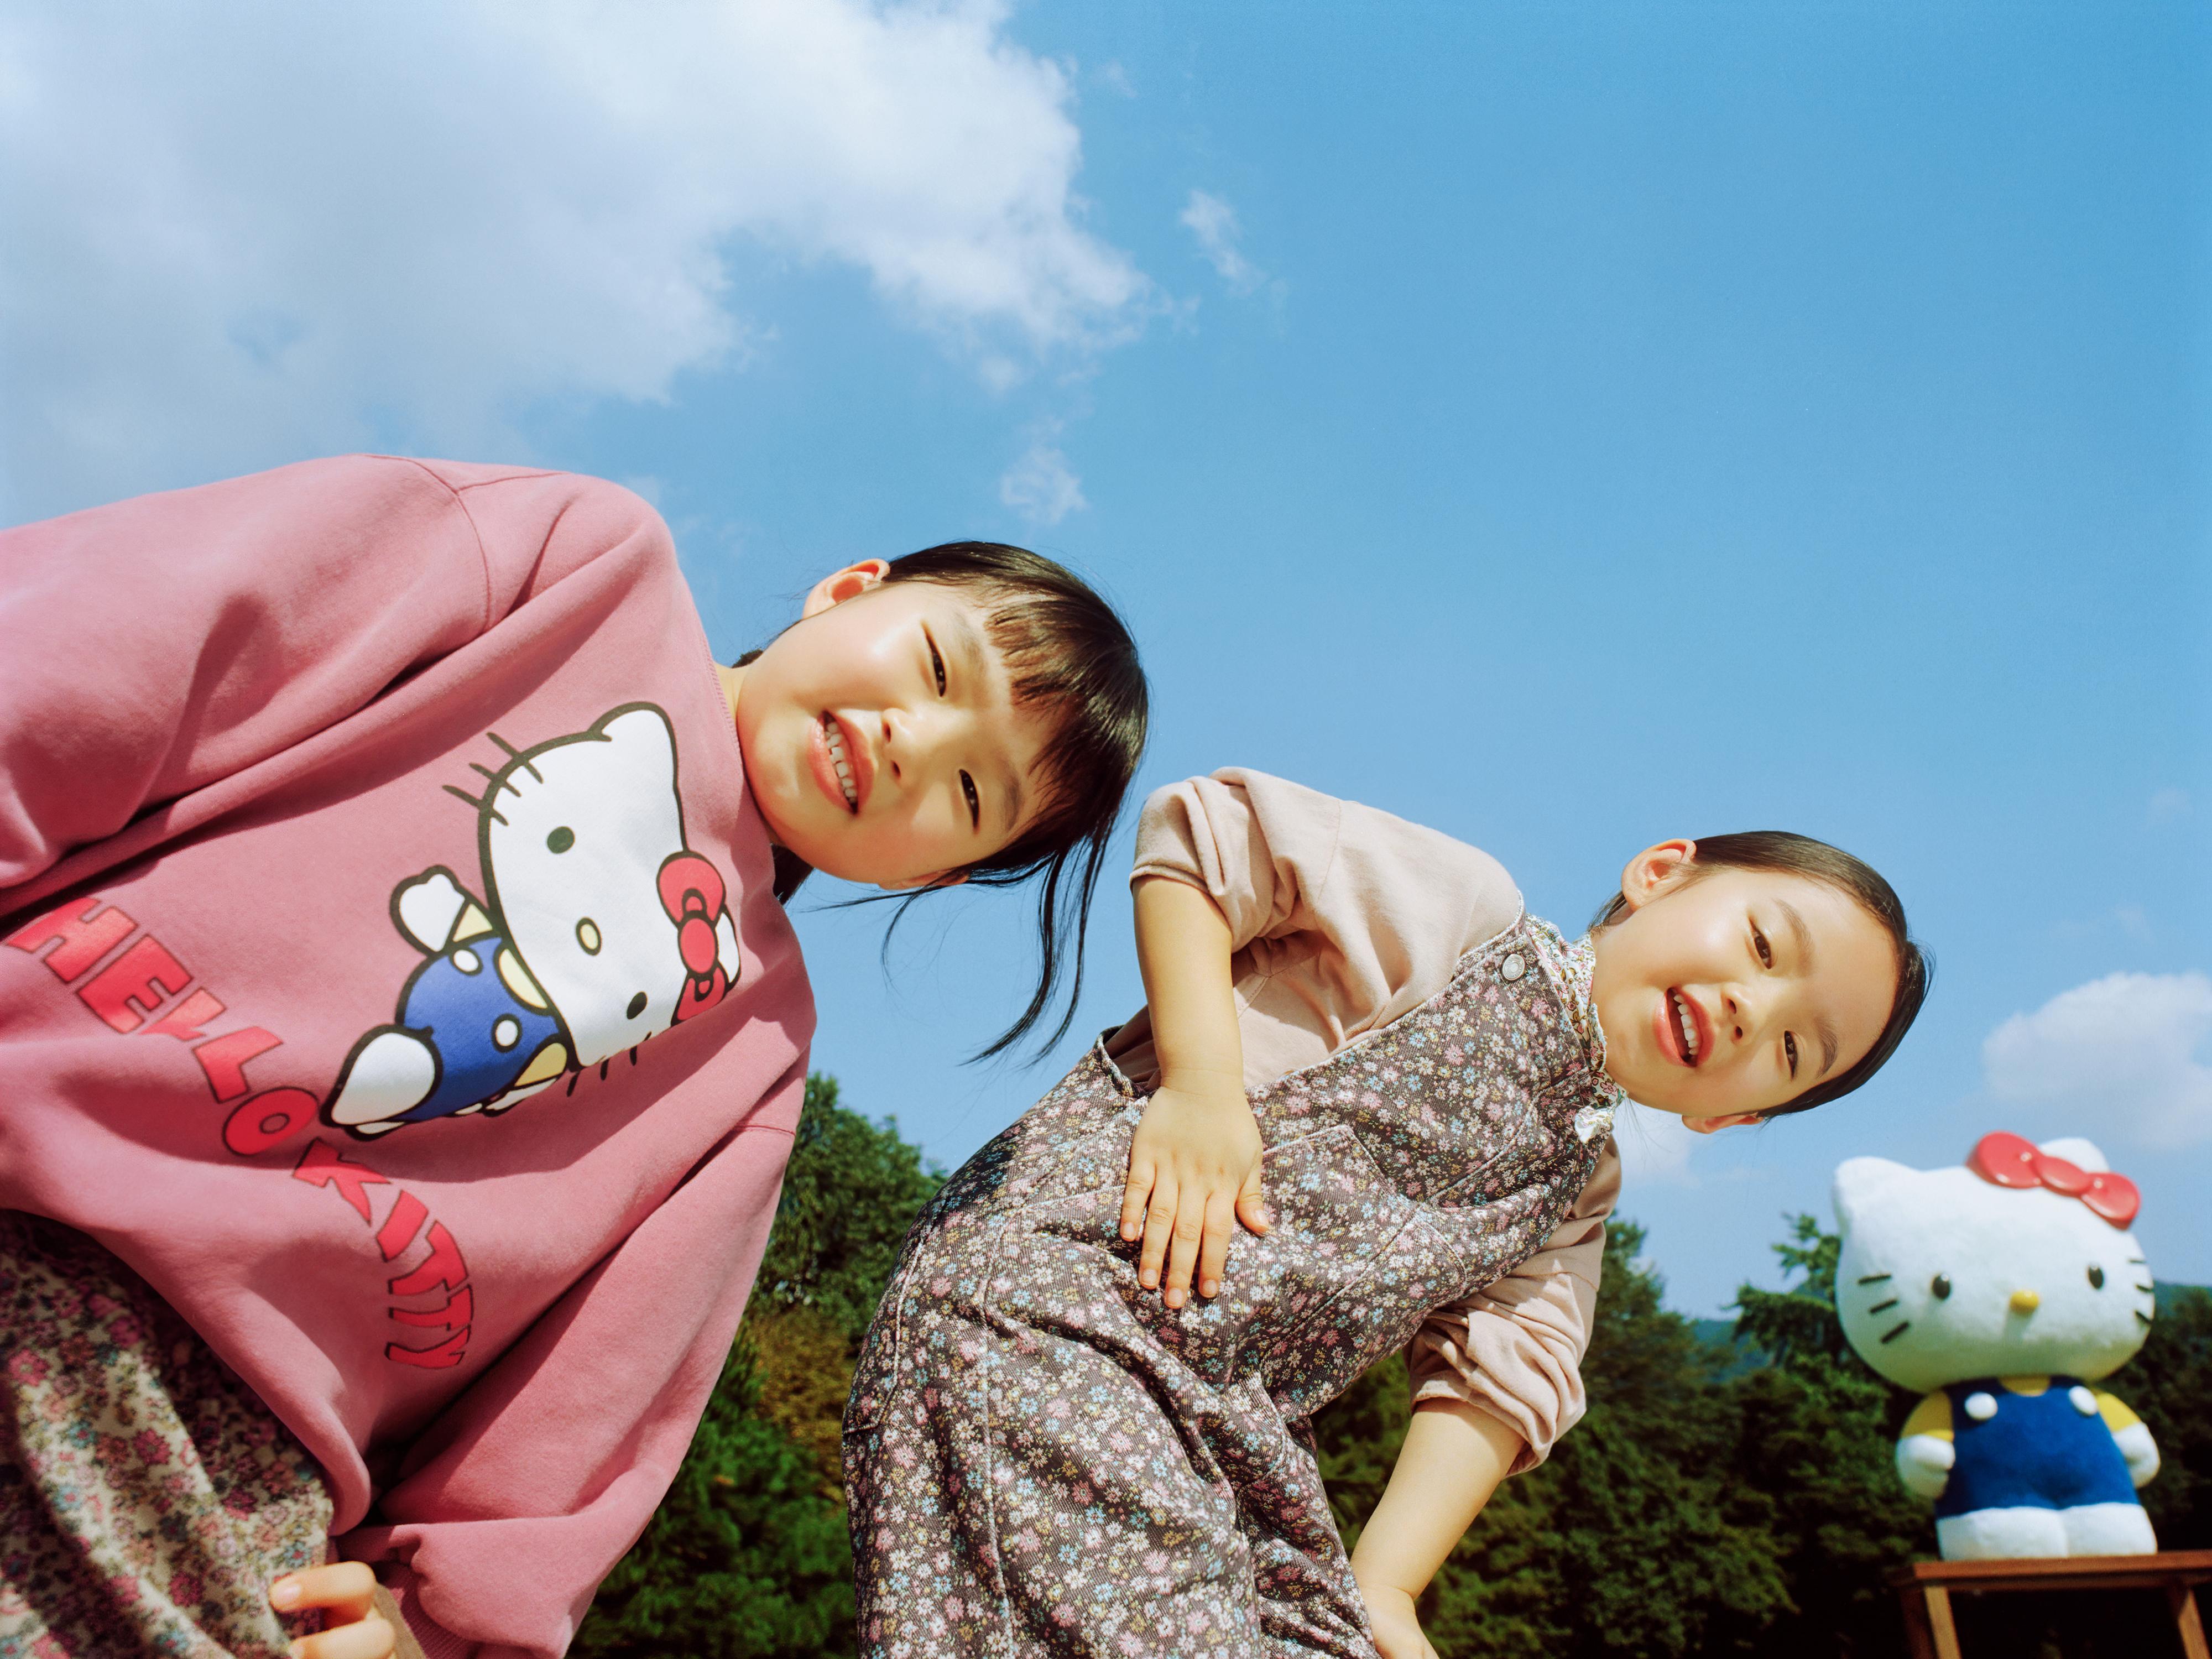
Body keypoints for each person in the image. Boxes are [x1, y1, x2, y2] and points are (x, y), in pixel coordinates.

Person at [0, 456, 1146, 1659]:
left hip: (233, 1454)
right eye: (937, 670)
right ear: (850, 589)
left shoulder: (759, 1049)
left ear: (937, 876)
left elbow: (608, 1372)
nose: (914, 742)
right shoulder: (582, 564)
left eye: (970, 790)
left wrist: (437, 1625)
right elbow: (134, 651)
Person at [843, 768, 1931, 1658]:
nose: (1752, 1008)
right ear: (1659, 874)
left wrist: (1387, 1585)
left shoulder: (1571, 1192)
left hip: (1222, 1429)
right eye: (1762, 946)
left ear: (1734, 1119)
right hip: (1059, 1307)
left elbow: (1506, 1378)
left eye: (1794, 1047)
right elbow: (1207, 841)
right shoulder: (1463, 917)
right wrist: (1201, 1085)